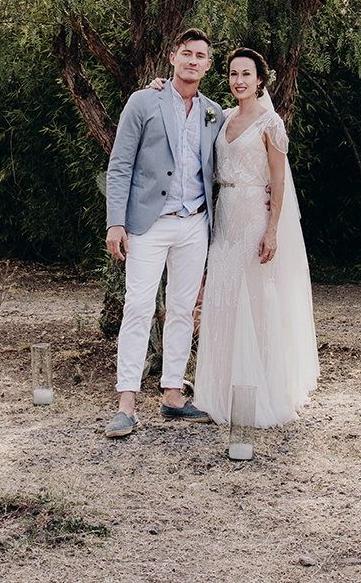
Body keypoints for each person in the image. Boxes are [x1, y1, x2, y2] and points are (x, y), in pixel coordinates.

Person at [102, 28, 223, 438]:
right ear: (172, 57)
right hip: (148, 224)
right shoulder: (143, 101)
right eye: (186, 53)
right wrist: (115, 222)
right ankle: (126, 405)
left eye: (200, 56)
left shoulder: (214, 112)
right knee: (137, 307)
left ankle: (173, 395)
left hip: (195, 224)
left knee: (182, 310)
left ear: (209, 65)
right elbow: (119, 164)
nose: (192, 60)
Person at [196, 48, 319, 427]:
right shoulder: (222, 117)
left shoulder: (270, 122)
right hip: (225, 213)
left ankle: (262, 393)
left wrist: (272, 229)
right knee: (226, 298)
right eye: (233, 74)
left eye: (246, 74)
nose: (239, 81)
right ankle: (224, 395)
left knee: (256, 299)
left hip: (255, 214)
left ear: (260, 80)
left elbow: (279, 179)